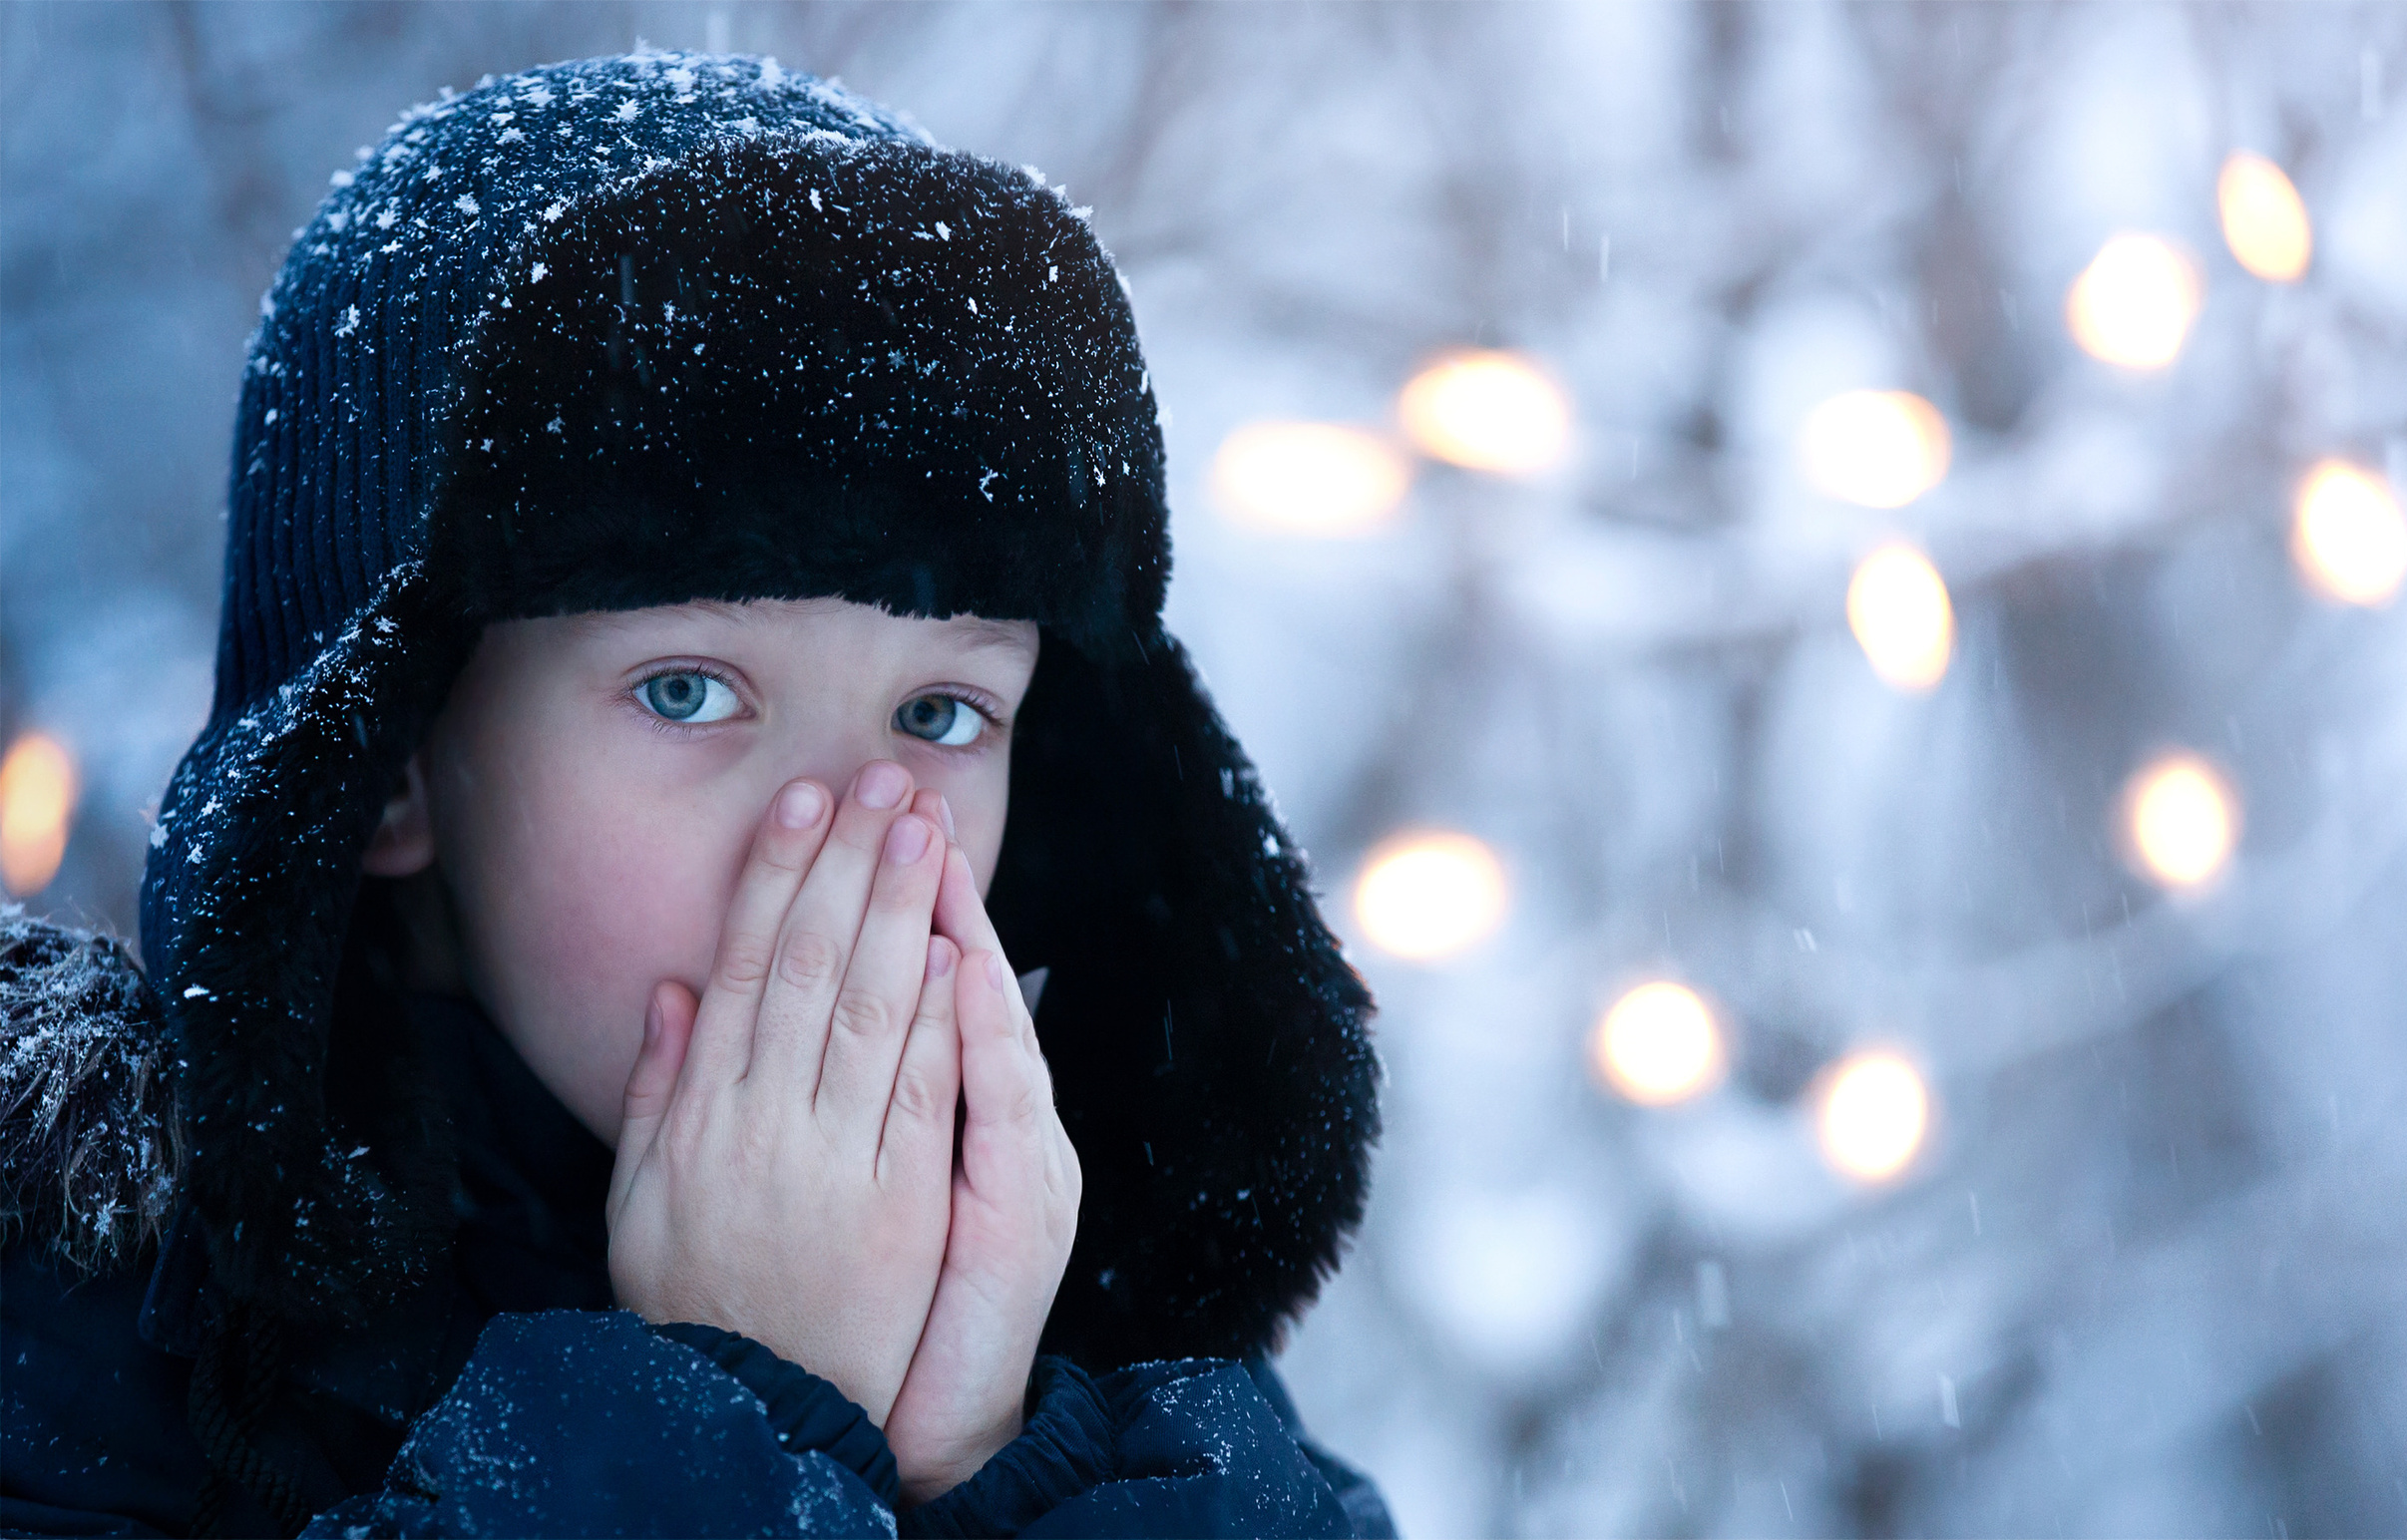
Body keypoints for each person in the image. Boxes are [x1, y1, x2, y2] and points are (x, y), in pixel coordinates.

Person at [0, 51, 1391, 1539]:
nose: (847, 825)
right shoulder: (81, 1344)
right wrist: (735, 1413)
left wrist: (992, 1467)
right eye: (688, 691)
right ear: (391, 762)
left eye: (939, 713)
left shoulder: (1148, 1411)